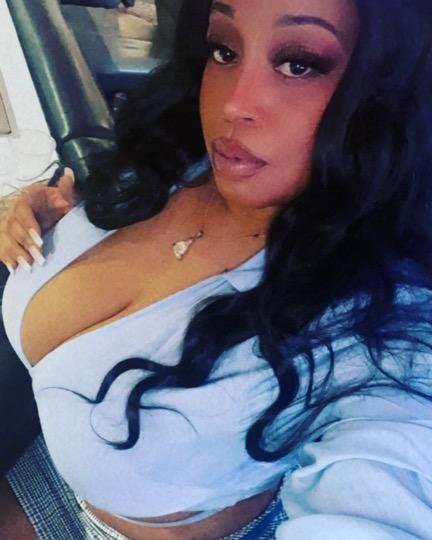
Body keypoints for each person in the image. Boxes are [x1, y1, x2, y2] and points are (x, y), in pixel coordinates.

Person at [1, 0, 432, 538]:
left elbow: (383, 496)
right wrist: (35, 211)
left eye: (300, 63)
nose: (232, 104)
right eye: (224, 50)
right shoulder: (180, 160)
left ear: (393, 91)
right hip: (38, 462)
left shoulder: (390, 337)